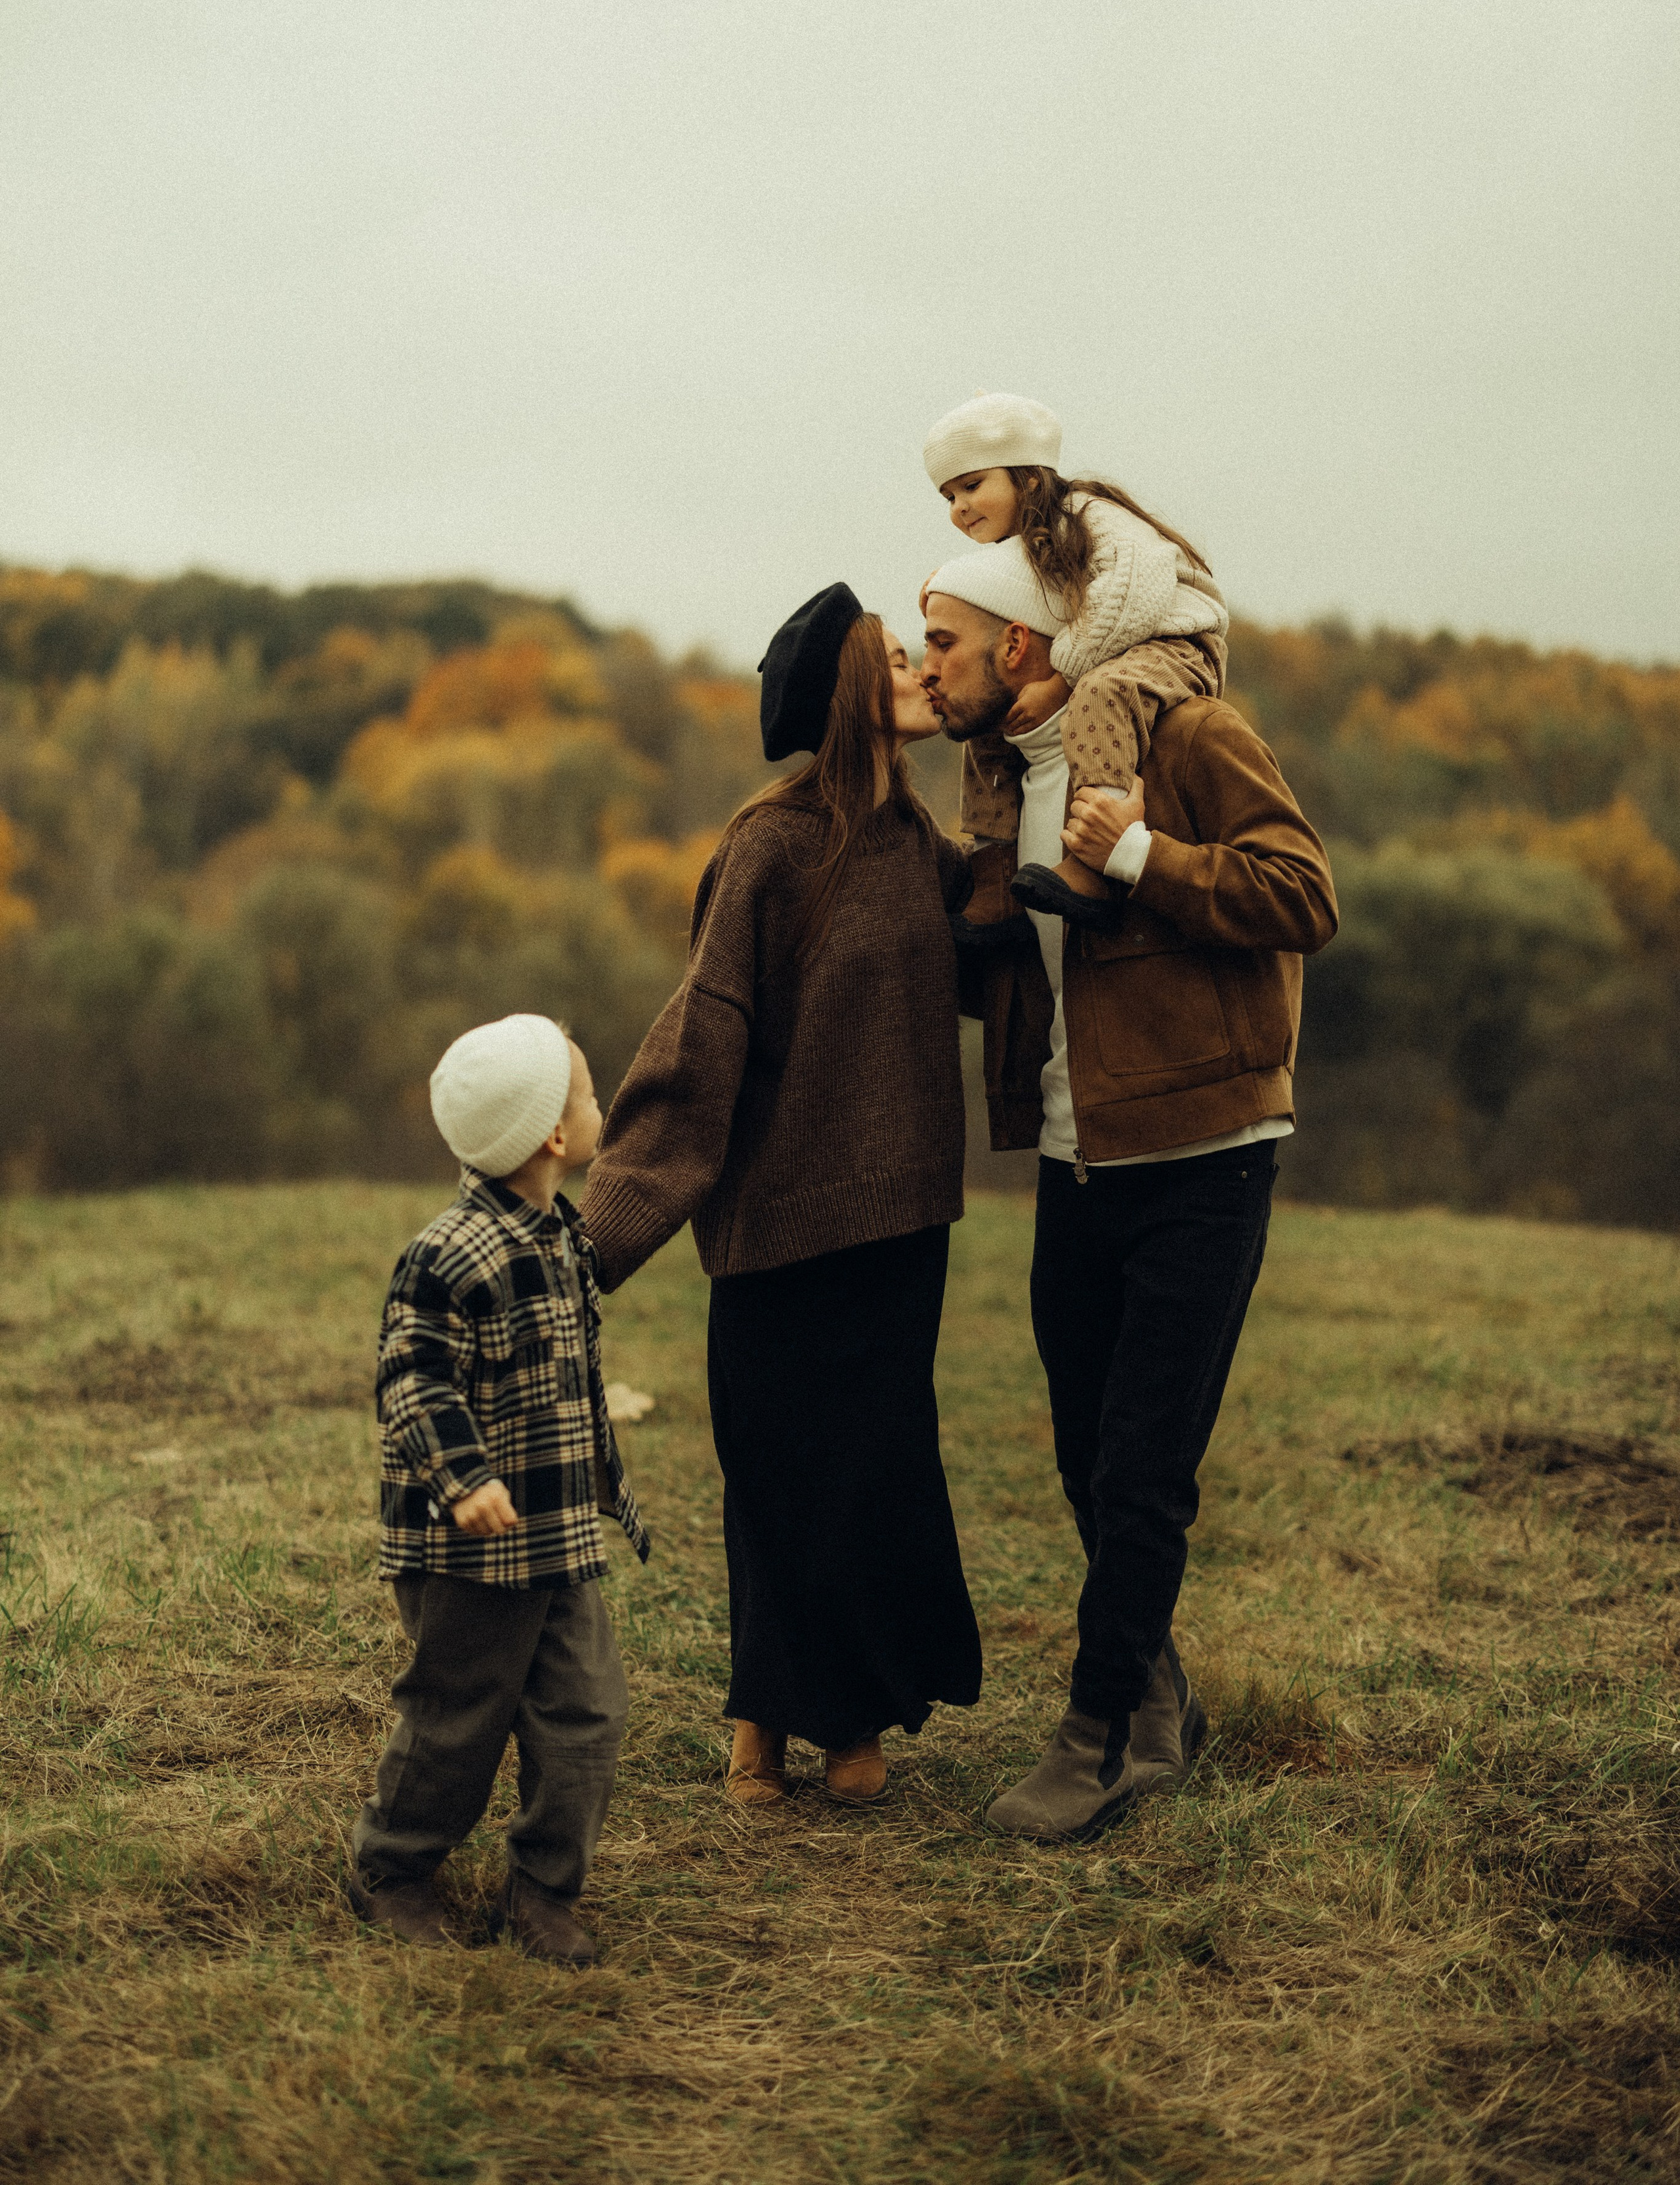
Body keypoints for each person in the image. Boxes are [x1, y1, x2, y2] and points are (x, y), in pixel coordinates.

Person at [919, 550, 1337, 1842]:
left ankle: (1099, 1740)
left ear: (1024, 648)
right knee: (1082, 1460)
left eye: (943, 637)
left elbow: (1300, 895)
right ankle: (1155, 1699)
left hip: (1205, 1152)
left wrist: (1147, 851)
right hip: (1071, 1160)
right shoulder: (1001, 785)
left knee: (1143, 1468)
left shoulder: (1186, 736)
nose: (925, 658)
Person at [581, 585, 982, 1810]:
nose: (918, 668)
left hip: (901, 1229)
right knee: (774, 1476)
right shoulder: (769, 848)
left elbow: (1016, 930)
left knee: (869, 1473)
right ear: (854, 694)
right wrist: (587, 1242)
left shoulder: (923, 851)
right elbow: (699, 1043)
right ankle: (763, 1713)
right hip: (771, 1232)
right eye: (896, 657)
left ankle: (849, 1720)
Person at [350, 1013, 649, 1961]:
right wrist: (463, 1477)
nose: (603, 1106)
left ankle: (542, 1892)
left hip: (557, 1539)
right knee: (458, 1722)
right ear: (555, 1137)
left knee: (588, 1715)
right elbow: (412, 1379)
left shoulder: (564, 1238)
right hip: (467, 1549)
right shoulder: (449, 1254)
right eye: (590, 1092)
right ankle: (392, 1869)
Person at [920, 390, 1228, 927]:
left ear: (1031, 479)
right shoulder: (1023, 544)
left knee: (1101, 694)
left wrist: (1063, 678)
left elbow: (1131, 594)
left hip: (1173, 639)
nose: (960, 507)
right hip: (1112, 646)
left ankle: (1094, 857)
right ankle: (993, 867)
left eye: (972, 485)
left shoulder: (1088, 516)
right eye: (949, 496)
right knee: (985, 716)